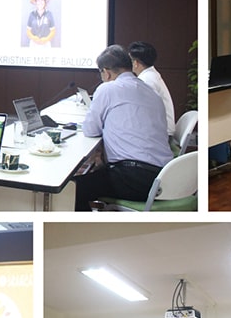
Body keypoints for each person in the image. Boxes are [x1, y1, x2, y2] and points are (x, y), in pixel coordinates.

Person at [73, 44, 173, 211]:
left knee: (74, 189)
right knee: (95, 177)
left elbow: (90, 130)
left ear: (106, 72)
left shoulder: (107, 89)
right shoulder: (151, 92)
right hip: (165, 177)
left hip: (134, 178)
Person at [128, 41, 176, 136]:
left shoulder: (147, 80)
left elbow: (142, 113)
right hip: (160, 130)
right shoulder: (150, 75)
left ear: (136, 63)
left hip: (160, 135)